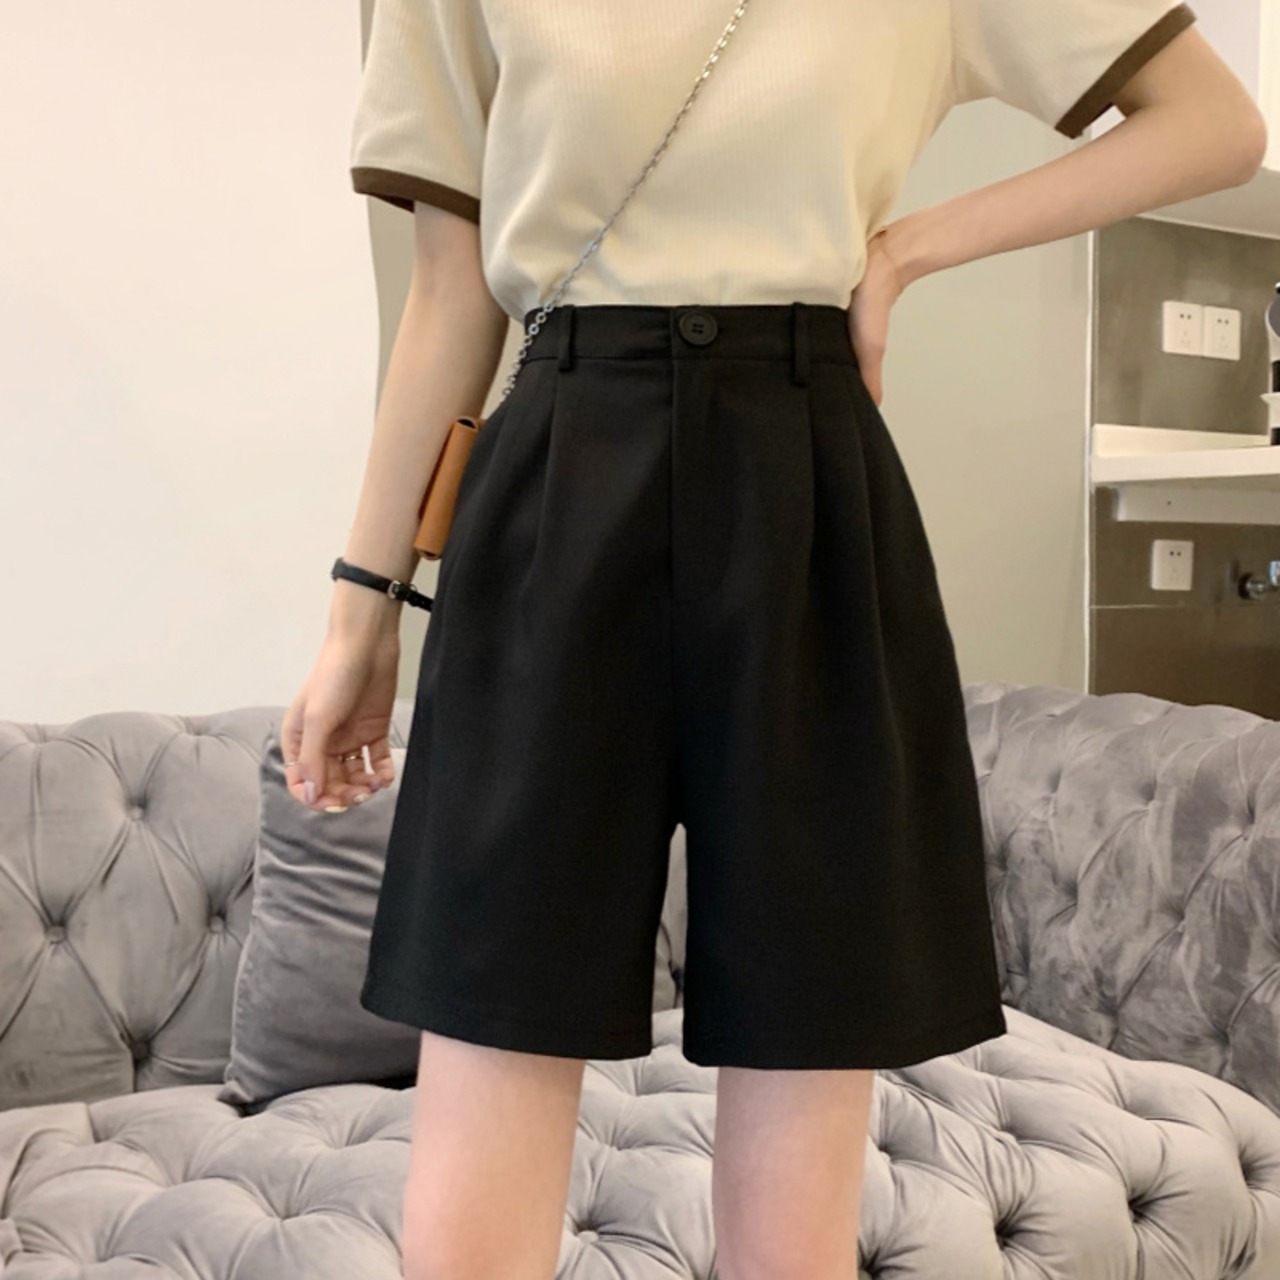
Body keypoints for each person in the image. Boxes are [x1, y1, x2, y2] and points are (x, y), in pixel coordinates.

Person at [281, 2, 1265, 1276]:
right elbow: (447, 289)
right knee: (489, 1030)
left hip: (805, 483)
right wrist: (359, 610)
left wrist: (906, 249)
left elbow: (1210, 122)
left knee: (806, 1053)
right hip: (559, 474)